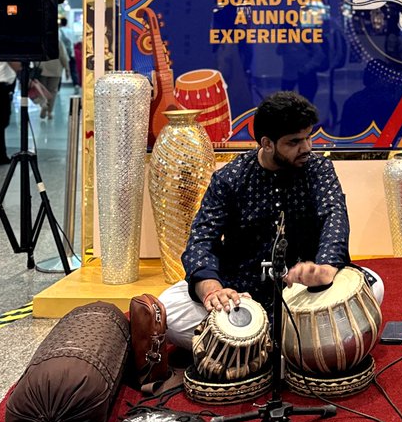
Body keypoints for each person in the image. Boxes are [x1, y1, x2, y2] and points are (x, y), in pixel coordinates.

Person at [160, 90, 383, 347]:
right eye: (294, 142)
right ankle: (277, 338)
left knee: (373, 285)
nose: (307, 148)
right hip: (242, 293)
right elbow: (201, 239)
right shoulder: (230, 179)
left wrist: (326, 268)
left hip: (305, 291)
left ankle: (248, 342)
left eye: (308, 138)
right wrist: (212, 290)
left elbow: (334, 217)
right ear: (267, 144)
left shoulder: (318, 170)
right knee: (169, 309)